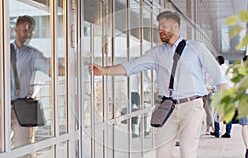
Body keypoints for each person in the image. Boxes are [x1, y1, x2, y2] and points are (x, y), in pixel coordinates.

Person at [88, 10, 228, 158]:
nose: (160, 30)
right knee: (162, 154)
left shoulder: (196, 48)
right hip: (167, 108)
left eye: (164, 26)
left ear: (175, 27)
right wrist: (104, 71)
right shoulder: (156, 53)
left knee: (187, 152)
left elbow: (220, 78)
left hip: (192, 106)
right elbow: (131, 66)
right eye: (159, 26)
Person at [9, 15, 64, 149]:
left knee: (23, 147)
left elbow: (52, 71)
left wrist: (74, 64)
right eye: (24, 30)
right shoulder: (0, 51)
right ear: (16, 30)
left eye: (30, 31)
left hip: (20, 105)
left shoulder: (33, 54)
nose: (28, 34)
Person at [211, 56, 233, 138]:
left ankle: (216, 131)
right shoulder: (229, 69)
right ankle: (228, 132)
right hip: (229, 93)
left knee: (217, 112)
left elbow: (214, 82)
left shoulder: (217, 70)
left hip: (220, 93)